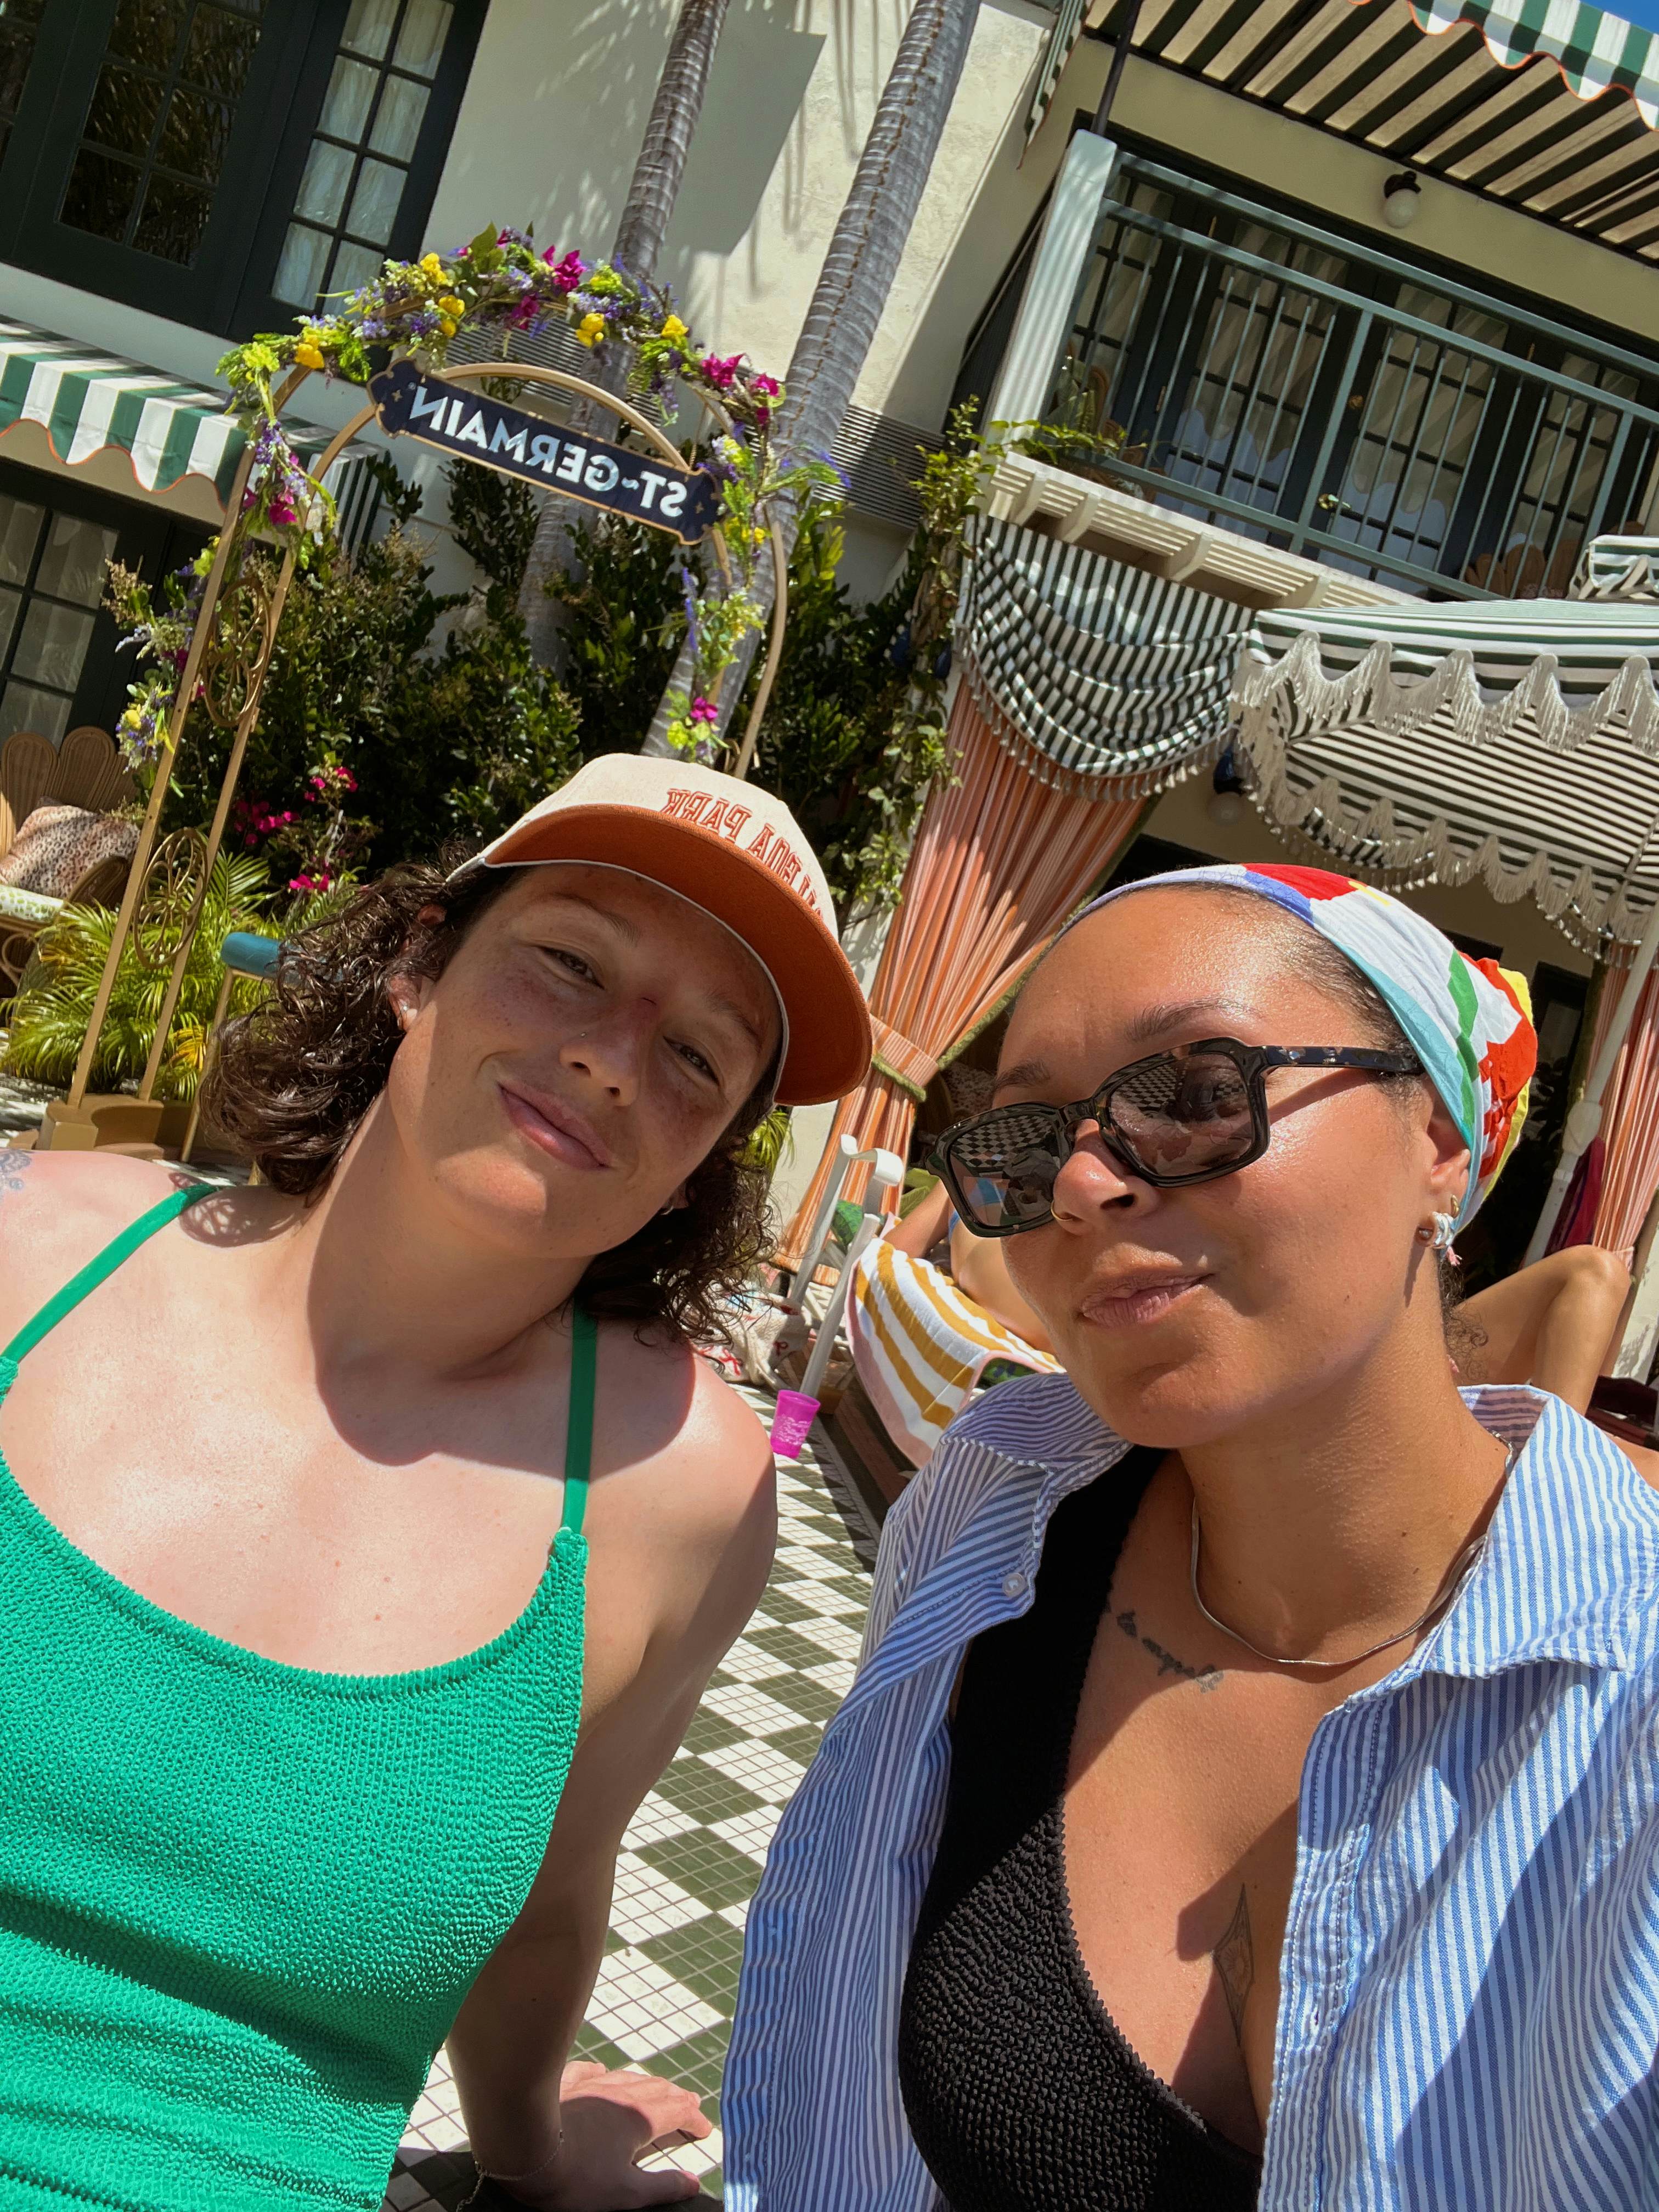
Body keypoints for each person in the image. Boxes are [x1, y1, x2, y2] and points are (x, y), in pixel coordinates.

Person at [0, 757, 871, 2212]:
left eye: (700, 1059)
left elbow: (548, 1900)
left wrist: (530, 2156)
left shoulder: (675, 1488)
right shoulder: (33, 1250)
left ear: (701, 1161)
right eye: (570, 962)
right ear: (420, 968)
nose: (612, 1058)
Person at [725, 860, 1659, 2211]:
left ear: (1441, 1143)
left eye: (1194, 1093)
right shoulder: (996, 1521)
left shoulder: (1623, 1707)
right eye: (1028, 1142)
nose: (1085, 1186)